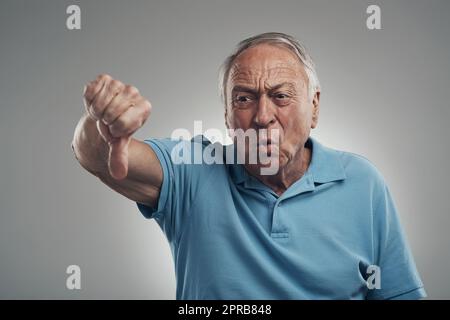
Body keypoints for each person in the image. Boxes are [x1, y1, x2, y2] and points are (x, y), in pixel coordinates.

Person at [72, 32, 426, 299]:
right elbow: (94, 155)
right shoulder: (193, 171)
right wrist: (101, 123)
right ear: (227, 114)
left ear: (314, 107)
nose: (262, 116)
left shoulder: (362, 184)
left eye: (281, 96)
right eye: (244, 98)